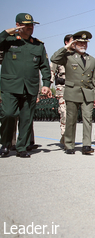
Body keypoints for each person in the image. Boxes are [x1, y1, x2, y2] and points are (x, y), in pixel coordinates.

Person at [0, 13, 52, 158]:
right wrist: (5, 32)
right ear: (18, 25)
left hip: (30, 86)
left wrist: (46, 83)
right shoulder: (8, 41)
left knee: (26, 118)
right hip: (10, 86)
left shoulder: (38, 45)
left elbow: (45, 66)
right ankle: (5, 144)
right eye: (26, 25)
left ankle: (21, 147)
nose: (30, 28)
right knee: (8, 114)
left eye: (31, 25)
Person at [50, 31, 95, 155]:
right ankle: (69, 144)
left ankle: (87, 145)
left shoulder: (92, 60)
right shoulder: (68, 57)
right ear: (75, 43)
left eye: (85, 43)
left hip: (87, 93)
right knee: (71, 119)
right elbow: (54, 58)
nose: (83, 45)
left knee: (88, 119)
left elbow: (94, 80)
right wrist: (67, 47)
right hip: (72, 92)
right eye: (80, 43)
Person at [50, 34, 72, 145]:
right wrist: (47, 87)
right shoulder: (59, 56)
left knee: (72, 114)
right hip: (62, 88)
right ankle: (64, 136)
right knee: (64, 112)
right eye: (72, 41)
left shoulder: (78, 56)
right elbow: (51, 72)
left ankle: (69, 137)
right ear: (66, 42)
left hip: (74, 89)